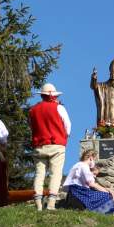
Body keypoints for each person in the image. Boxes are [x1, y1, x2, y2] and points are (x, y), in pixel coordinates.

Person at [29, 83, 71, 211]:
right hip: (56, 145)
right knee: (55, 174)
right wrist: (63, 136)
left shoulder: (32, 110)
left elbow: (31, 126)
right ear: (53, 95)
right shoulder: (59, 108)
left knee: (39, 174)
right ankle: (51, 204)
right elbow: (68, 127)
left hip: (39, 145)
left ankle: (38, 204)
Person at [63, 150, 114, 214]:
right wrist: (107, 191)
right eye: (94, 159)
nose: (94, 162)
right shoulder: (84, 166)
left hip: (73, 193)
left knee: (101, 193)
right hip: (79, 193)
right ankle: (106, 214)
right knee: (107, 195)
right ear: (91, 158)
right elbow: (91, 184)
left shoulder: (77, 165)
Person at [90, 58, 114, 129]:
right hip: (105, 111)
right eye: (111, 73)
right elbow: (94, 86)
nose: (112, 75)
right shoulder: (103, 86)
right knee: (104, 124)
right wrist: (94, 78)